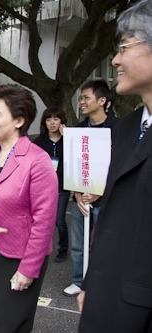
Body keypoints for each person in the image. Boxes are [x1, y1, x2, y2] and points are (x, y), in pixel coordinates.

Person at [77, 1, 152, 331]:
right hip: (106, 297)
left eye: (124, 46)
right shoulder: (128, 127)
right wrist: (92, 282)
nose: (116, 59)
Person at [0, 84, 58, 333]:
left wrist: (28, 269)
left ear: (18, 120)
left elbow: (45, 221)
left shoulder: (37, 160)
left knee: (10, 323)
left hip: (23, 255)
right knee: (2, 318)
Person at [63, 80, 120, 297]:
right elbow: (73, 164)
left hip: (107, 199)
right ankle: (78, 280)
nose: (81, 102)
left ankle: (100, 283)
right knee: (78, 245)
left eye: (86, 98)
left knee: (104, 244)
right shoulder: (78, 129)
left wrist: (100, 192)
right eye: (80, 98)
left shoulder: (119, 128)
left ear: (102, 101)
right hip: (81, 200)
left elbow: (120, 165)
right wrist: (77, 195)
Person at [33, 106, 70, 263]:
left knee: (59, 220)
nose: (52, 123)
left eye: (56, 119)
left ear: (61, 121)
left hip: (62, 186)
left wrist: (67, 137)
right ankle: (40, 249)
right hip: (43, 188)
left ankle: (63, 248)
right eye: (49, 120)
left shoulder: (68, 140)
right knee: (41, 220)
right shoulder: (39, 142)